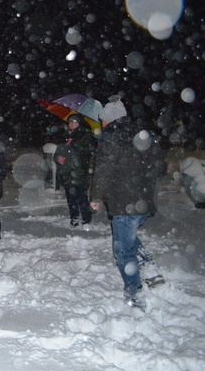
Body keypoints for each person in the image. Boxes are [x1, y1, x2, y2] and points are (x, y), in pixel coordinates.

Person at [90, 96, 166, 309]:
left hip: (124, 202)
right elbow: (160, 166)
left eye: (103, 119)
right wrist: (145, 185)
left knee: (123, 250)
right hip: (143, 201)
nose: (102, 123)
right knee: (129, 238)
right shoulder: (143, 133)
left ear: (110, 119)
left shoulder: (111, 137)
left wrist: (96, 197)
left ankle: (134, 293)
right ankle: (152, 272)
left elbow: (103, 170)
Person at [53, 114, 96, 227]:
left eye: (74, 121)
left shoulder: (85, 135)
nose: (71, 123)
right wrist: (58, 158)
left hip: (79, 172)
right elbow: (58, 152)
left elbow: (89, 151)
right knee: (71, 198)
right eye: (70, 121)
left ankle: (86, 219)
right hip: (67, 172)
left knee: (82, 197)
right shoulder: (64, 136)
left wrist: (73, 146)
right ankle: (74, 218)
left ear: (79, 123)